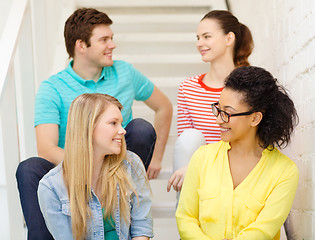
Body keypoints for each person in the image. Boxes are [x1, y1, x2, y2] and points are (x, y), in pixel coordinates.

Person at [16, 8, 172, 240]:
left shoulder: (125, 73)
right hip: (71, 168)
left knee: (140, 127)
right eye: (104, 40)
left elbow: (164, 107)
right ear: (81, 45)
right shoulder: (53, 88)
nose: (112, 45)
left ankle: (125, 201)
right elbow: (47, 148)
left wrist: (157, 158)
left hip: (118, 163)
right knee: (29, 168)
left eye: (112, 38)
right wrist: (87, 166)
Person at [175, 66, 299, 240]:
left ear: (255, 118)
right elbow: (185, 218)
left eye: (227, 113)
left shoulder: (285, 171)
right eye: (218, 109)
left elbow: (264, 230)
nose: (218, 119)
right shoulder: (202, 157)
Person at [38, 93, 153, 239]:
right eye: (113, 123)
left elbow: (142, 229)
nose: (123, 130)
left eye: (121, 123)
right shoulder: (51, 187)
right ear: (88, 126)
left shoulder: (132, 164)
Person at [167, 10, 253, 192]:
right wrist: (197, 168)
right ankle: (186, 214)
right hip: (197, 174)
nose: (200, 44)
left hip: (236, 168)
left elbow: (249, 142)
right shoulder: (188, 88)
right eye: (198, 38)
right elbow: (186, 144)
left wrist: (207, 165)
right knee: (190, 138)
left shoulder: (249, 85)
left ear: (229, 38)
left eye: (207, 37)